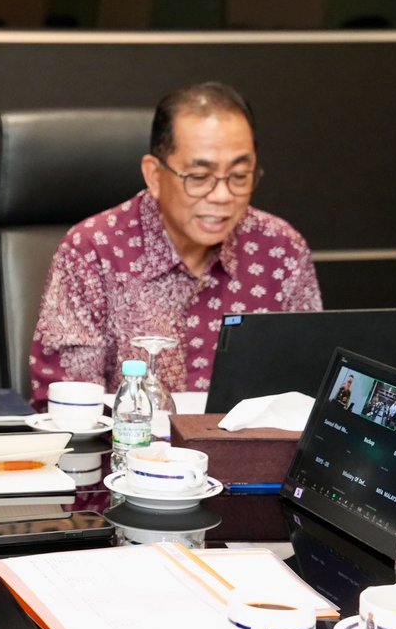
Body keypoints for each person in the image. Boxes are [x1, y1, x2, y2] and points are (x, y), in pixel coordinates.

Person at [29, 82, 322, 406]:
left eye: (239, 176)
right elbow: (69, 407)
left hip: (248, 454)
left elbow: (307, 393)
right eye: (199, 178)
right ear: (154, 175)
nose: (222, 196)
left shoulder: (281, 251)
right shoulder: (92, 251)